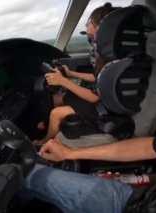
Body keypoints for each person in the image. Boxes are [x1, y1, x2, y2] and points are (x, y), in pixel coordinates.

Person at [24, 102, 156, 213]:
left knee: (29, 174)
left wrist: (70, 153)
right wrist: (140, 180)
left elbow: (150, 148)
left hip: (141, 206)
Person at [34, 3, 116, 145]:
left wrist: (64, 81)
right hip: (105, 100)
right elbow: (98, 77)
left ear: (100, 26)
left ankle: (45, 141)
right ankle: (51, 125)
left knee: (56, 113)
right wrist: (71, 73)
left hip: (103, 109)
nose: (86, 27)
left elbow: (93, 97)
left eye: (88, 22)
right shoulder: (109, 52)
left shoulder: (110, 56)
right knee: (59, 98)